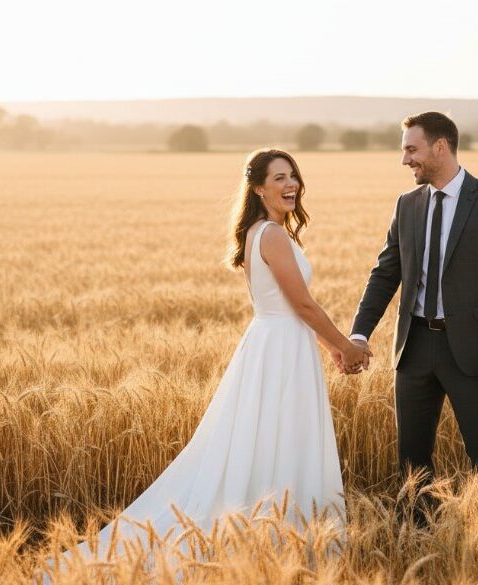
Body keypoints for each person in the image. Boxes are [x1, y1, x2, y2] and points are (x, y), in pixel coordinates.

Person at [39, 148, 367, 582]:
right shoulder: (272, 235)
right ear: (258, 187)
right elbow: (303, 304)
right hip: (282, 346)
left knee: (267, 440)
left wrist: (329, 347)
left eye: (294, 176)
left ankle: (275, 534)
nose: (291, 185)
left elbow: (293, 307)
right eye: (280, 178)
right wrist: (344, 345)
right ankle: (280, 536)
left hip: (275, 344)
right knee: (281, 436)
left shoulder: (256, 231)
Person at [347, 112, 478, 523]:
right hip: (413, 348)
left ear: (440, 147)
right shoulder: (407, 204)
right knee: (412, 460)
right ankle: (416, 538)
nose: (405, 160)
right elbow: (385, 273)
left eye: (411, 150)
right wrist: (358, 334)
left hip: (473, 351)